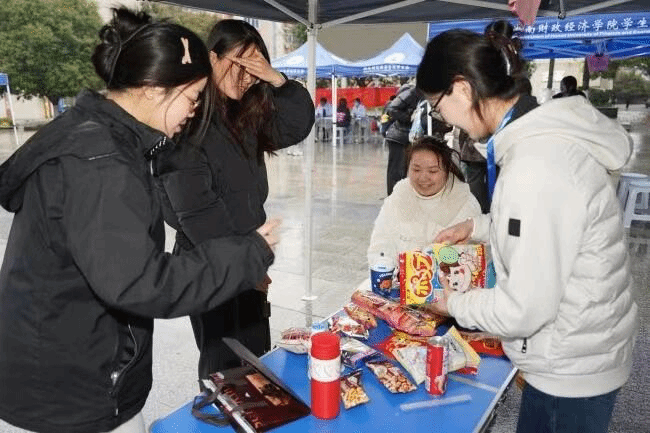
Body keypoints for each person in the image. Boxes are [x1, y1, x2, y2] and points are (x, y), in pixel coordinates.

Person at [0, 8, 279, 433]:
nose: (194, 111)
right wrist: (248, 255)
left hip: (71, 369)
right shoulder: (100, 163)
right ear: (152, 90)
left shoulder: (100, 136)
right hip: (65, 396)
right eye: (192, 97)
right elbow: (142, 283)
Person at [417, 29, 637, 433]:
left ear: (462, 89)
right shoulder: (540, 138)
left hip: (571, 365)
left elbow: (522, 309)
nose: (443, 118)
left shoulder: (535, 165)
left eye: (437, 106)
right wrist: (476, 226)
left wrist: (454, 303)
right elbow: (550, 223)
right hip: (577, 343)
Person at [156, 19, 314, 380]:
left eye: (254, 68)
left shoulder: (243, 115)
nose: (247, 77)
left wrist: (277, 80)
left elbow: (294, 126)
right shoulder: (188, 120)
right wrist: (244, 265)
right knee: (224, 369)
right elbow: (195, 211)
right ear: (212, 58)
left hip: (243, 257)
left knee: (254, 360)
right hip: (211, 264)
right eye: (240, 64)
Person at [367, 136, 481, 267]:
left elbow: (471, 259)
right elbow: (380, 245)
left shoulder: (465, 202)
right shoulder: (398, 197)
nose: (423, 177)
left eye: (432, 171)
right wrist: (385, 267)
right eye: (416, 170)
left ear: (447, 170)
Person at [385, 83, 421, 195]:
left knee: (403, 170)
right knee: (396, 171)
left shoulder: (421, 94)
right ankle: (393, 197)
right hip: (398, 136)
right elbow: (392, 109)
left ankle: (399, 196)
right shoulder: (411, 93)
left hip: (406, 136)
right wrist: (409, 117)